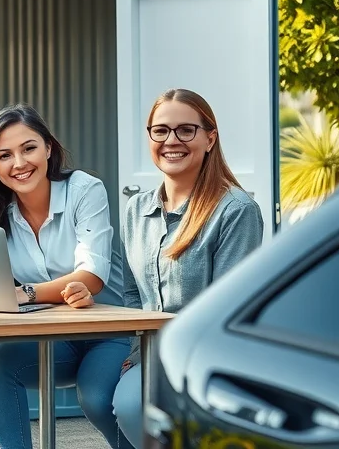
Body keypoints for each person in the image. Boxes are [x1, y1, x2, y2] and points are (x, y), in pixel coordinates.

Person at [0, 104, 132, 449]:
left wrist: (25, 293)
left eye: (28, 148)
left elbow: (91, 276)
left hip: (110, 333)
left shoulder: (84, 190)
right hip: (54, 338)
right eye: (4, 155)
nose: (19, 163)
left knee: (98, 398)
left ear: (48, 148)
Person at [112, 89, 263, 447]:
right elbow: (133, 295)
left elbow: (225, 312)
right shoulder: (136, 210)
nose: (171, 141)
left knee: (132, 407)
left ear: (210, 138)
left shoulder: (235, 210)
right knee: (96, 393)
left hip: (199, 358)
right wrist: (136, 354)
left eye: (186, 130)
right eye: (160, 130)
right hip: (147, 350)